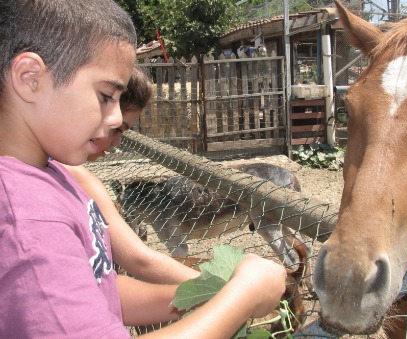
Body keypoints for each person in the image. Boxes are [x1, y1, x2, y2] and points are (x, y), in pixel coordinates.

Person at [0, 1, 287, 338]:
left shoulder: (54, 177)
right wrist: (240, 299)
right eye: (106, 95)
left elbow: (99, 291)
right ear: (30, 78)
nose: (117, 119)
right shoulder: (27, 220)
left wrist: (208, 295)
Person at [67, 66, 201, 284]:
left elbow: (135, 263)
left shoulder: (82, 178)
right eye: (117, 129)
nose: (117, 142)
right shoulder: (73, 177)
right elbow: (140, 261)